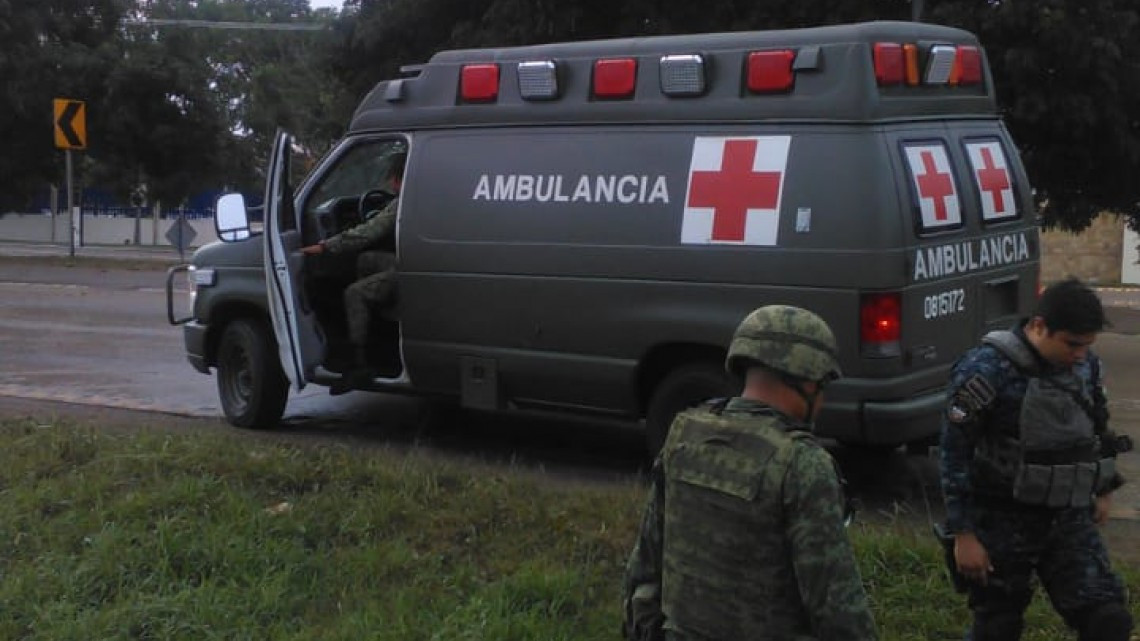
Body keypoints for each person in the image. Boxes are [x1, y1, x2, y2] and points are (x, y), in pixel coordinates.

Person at [622, 305, 878, 641]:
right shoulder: (802, 463)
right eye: (823, 384)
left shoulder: (684, 434)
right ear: (808, 377)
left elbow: (644, 566)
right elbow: (838, 608)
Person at [939, 278, 1133, 641]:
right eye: (1072, 344)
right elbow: (955, 453)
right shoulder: (985, 369)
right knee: (997, 626)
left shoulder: (1086, 366)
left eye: (1087, 345)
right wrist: (963, 534)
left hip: (1067, 519)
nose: (1079, 354)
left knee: (1108, 620)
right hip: (1001, 520)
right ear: (1039, 326)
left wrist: (1104, 487)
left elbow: (1097, 427)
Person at [301, 151, 405, 391]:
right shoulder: (419, 195)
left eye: (391, 179)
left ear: (398, 179)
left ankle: (359, 363)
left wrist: (325, 246)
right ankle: (372, 324)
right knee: (365, 260)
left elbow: (368, 231)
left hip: (409, 270)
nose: (390, 184)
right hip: (412, 262)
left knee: (353, 294)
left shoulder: (403, 202)